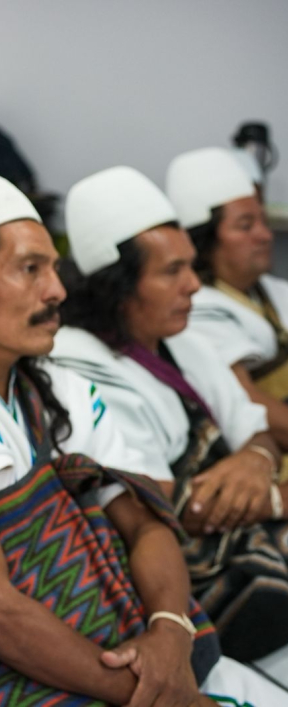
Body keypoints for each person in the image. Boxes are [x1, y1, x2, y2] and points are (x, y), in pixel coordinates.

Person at [0, 170, 286, 706]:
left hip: (115, 660)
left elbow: (146, 523)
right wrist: (159, 693)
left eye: (52, 267)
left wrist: (168, 631)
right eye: (29, 269)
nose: (57, 289)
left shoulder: (57, 388)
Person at [53, 165, 288, 667]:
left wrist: (256, 461)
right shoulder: (79, 365)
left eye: (190, 266)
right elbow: (178, 509)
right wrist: (269, 492)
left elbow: (257, 430)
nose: (193, 287)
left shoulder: (184, 341)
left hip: (253, 541)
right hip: (194, 584)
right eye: (171, 272)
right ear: (118, 287)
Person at [166, 147, 288, 458]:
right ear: (206, 240)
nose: (264, 235)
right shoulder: (195, 310)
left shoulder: (273, 290)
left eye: (263, 220)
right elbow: (248, 400)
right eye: (245, 225)